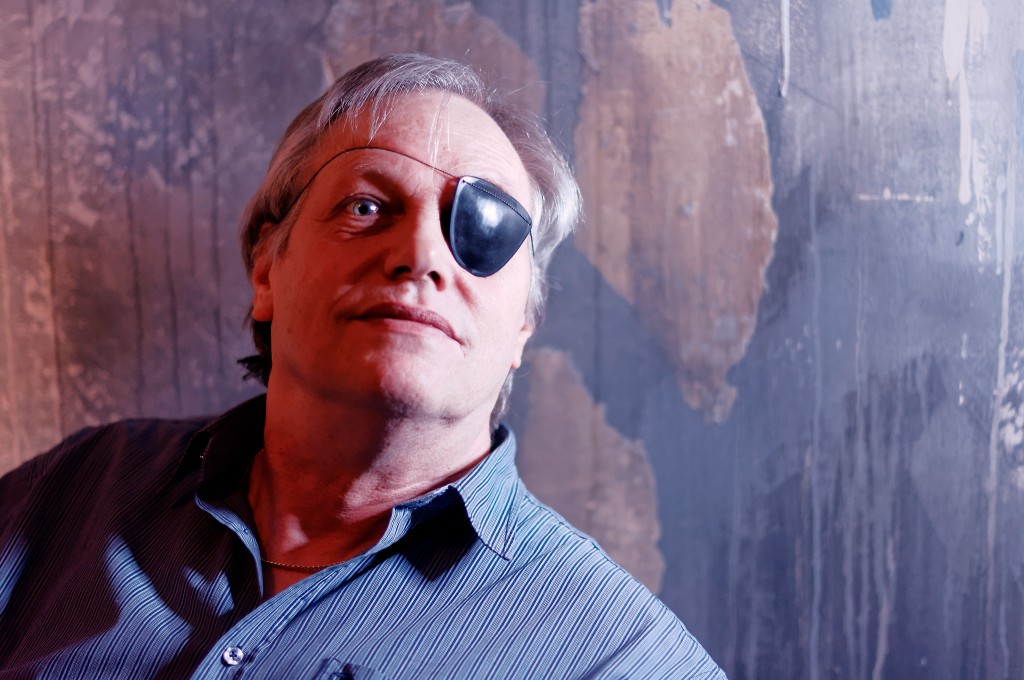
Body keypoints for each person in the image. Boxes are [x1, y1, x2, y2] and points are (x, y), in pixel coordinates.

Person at [0, 54, 726, 679]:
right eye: (368, 206)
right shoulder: (71, 494)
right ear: (267, 268)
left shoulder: (620, 657)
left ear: (522, 328)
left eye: (482, 231)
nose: (422, 255)